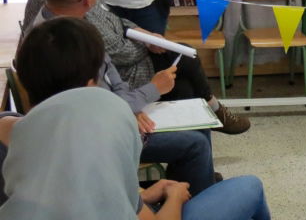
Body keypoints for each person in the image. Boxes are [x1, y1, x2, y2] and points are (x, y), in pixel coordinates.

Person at [0, 18, 271, 220]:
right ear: (92, 82)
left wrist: (145, 195)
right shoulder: (105, 130)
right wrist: (175, 197)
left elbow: (85, 197)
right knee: (251, 186)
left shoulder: (8, 128)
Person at [21, 0, 248, 134]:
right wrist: (147, 54)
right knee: (186, 66)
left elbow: (111, 19)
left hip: (119, 77)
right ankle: (214, 114)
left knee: (186, 78)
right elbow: (113, 60)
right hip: (120, 79)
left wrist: (143, 34)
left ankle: (209, 122)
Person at [32, 0, 215, 195]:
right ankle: (191, 196)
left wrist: (133, 105)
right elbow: (100, 109)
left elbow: (112, 79)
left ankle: (192, 186)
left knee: (195, 112)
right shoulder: (63, 46)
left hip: (114, 114)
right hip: (99, 136)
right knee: (196, 143)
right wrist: (152, 90)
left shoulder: (72, 24)